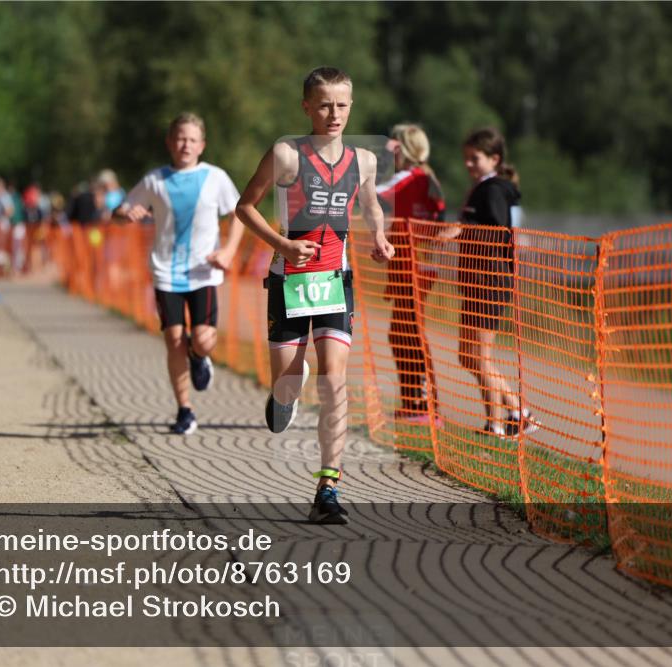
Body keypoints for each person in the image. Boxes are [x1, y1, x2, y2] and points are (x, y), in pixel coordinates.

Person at [235, 67, 395, 524]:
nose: (334, 113)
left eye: (342, 104)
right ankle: (286, 391)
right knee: (288, 382)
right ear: (306, 106)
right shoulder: (286, 154)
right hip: (289, 277)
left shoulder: (364, 160)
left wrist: (379, 237)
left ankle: (328, 486)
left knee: (334, 381)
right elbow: (245, 206)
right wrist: (283, 244)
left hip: (335, 280)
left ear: (351, 106)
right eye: (324, 104)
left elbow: (370, 204)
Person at [113, 112, 245, 435]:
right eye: (180, 138)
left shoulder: (216, 177)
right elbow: (118, 212)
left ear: (202, 145)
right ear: (170, 143)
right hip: (167, 272)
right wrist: (124, 214)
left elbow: (241, 214)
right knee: (173, 339)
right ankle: (184, 410)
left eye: (192, 139)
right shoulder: (155, 180)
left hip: (204, 271)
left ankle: (199, 356)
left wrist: (228, 251)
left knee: (202, 339)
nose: (185, 144)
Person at [456, 127, 538, 438]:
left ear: (494, 159)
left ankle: (496, 424)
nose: (468, 164)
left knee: (480, 355)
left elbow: (496, 231)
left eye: (474, 158)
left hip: (491, 280)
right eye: (465, 158)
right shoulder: (482, 187)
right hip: (476, 280)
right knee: (467, 354)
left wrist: (462, 229)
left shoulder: (493, 189)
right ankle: (520, 412)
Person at [376, 123, 447, 425]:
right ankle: (415, 401)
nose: (389, 148)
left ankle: (423, 404)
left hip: (412, 266)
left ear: (403, 149)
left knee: (407, 333)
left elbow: (372, 193)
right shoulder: (427, 178)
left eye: (394, 143)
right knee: (403, 331)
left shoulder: (408, 177)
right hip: (421, 264)